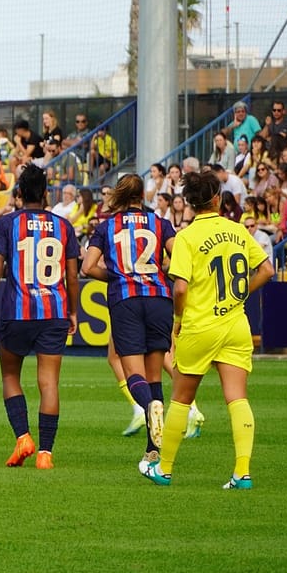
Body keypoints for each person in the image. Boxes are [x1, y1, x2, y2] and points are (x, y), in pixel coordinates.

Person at [142, 170, 274, 489]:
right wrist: (240, 295)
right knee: (237, 398)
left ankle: (165, 468)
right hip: (235, 323)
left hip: (200, 325)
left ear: (189, 202)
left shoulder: (186, 237)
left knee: (182, 398)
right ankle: (242, 472)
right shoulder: (239, 230)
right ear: (217, 199)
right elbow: (267, 269)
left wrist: (177, 321)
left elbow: (181, 289)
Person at [0, 164, 80, 470]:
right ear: (46, 194)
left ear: (19, 194)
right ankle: (45, 454)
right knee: (49, 383)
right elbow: (73, 276)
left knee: (10, 375)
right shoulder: (64, 226)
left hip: (18, 312)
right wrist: (74, 311)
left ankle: (23, 437)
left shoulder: (8, 224)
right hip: (54, 311)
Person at [82, 174, 176, 472]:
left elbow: (87, 265)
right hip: (160, 299)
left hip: (127, 301)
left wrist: (117, 275)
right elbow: (180, 258)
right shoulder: (160, 223)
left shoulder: (106, 226)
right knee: (154, 376)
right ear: (142, 196)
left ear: (120, 195)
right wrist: (161, 271)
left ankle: (150, 408)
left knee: (132, 372)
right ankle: (153, 450)